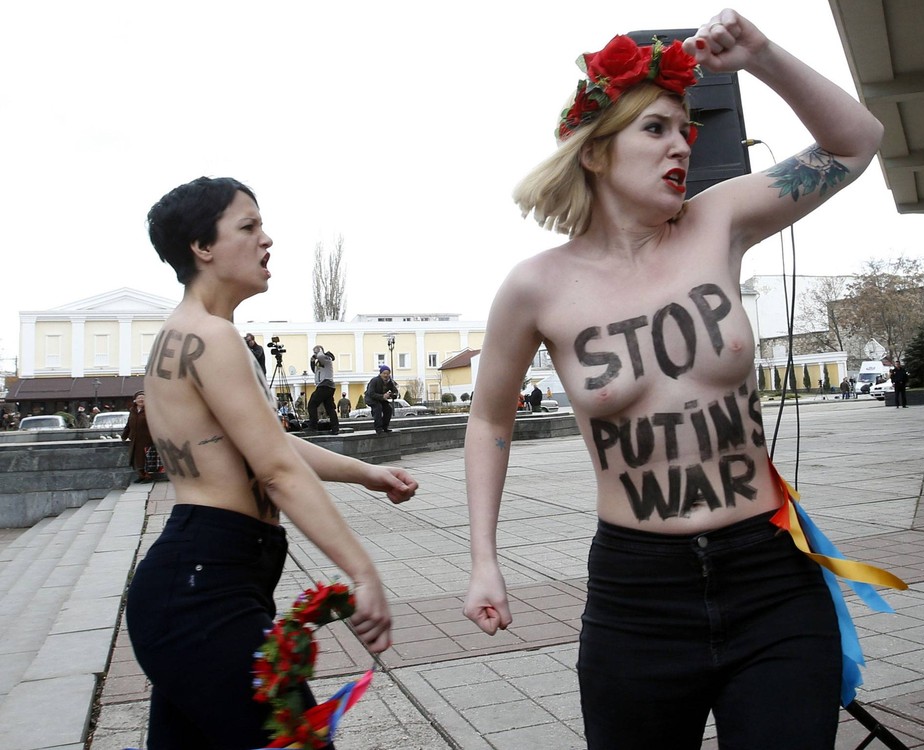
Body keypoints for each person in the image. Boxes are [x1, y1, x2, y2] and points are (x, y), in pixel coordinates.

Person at [463, 12, 885, 749]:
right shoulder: (536, 287)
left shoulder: (718, 222)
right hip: (638, 597)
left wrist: (761, 58)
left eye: (685, 130)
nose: (681, 145)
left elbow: (857, 143)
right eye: (655, 129)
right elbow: (489, 421)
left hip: (769, 579)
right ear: (596, 153)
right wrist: (484, 562)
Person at [127, 176, 418, 749]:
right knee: (300, 742)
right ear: (201, 248)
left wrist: (366, 474)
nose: (267, 241)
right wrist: (361, 571)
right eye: (248, 226)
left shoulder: (187, 334)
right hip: (205, 589)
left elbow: (269, 445)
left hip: (194, 584)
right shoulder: (212, 337)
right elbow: (276, 471)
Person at [121, 391, 158, 483]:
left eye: (143, 398)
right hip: (135, 439)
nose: (141, 400)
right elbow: (129, 424)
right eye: (139, 398)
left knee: (146, 458)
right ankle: (141, 475)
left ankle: (148, 476)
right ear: (135, 400)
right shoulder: (132, 411)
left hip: (147, 439)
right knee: (136, 459)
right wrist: (124, 436)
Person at [308, 346, 338, 433]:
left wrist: (319, 351)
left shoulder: (327, 359)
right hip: (325, 386)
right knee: (329, 407)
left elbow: (320, 356)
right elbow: (315, 371)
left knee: (312, 404)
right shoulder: (321, 361)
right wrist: (312, 361)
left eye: (315, 351)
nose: (315, 353)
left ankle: (313, 426)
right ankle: (335, 428)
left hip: (325, 385)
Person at [364, 365, 397, 434]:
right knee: (378, 407)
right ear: (380, 374)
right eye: (384, 373)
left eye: (387, 374)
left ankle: (385, 427)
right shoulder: (374, 380)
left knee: (388, 409)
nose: (386, 375)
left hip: (381, 399)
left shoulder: (390, 382)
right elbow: (371, 393)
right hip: (371, 399)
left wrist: (392, 395)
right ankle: (378, 428)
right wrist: (383, 396)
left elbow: (395, 391)